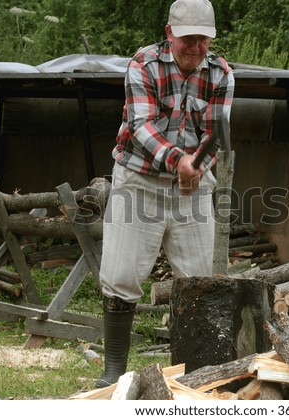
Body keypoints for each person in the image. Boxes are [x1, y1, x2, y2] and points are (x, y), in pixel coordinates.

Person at [95, 0, 234, 388]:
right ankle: (114, 370)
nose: (197, 47)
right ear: (170, 32)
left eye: (205, 40)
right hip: (139, 180)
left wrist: (199, 167)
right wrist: (178, 162)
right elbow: (140, 124)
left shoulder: (222, 74)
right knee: (121, 275)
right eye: (190, 38)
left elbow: (216, 133)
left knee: (199, 280)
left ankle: (193, 374)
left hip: (192, 187)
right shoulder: (143, 65)